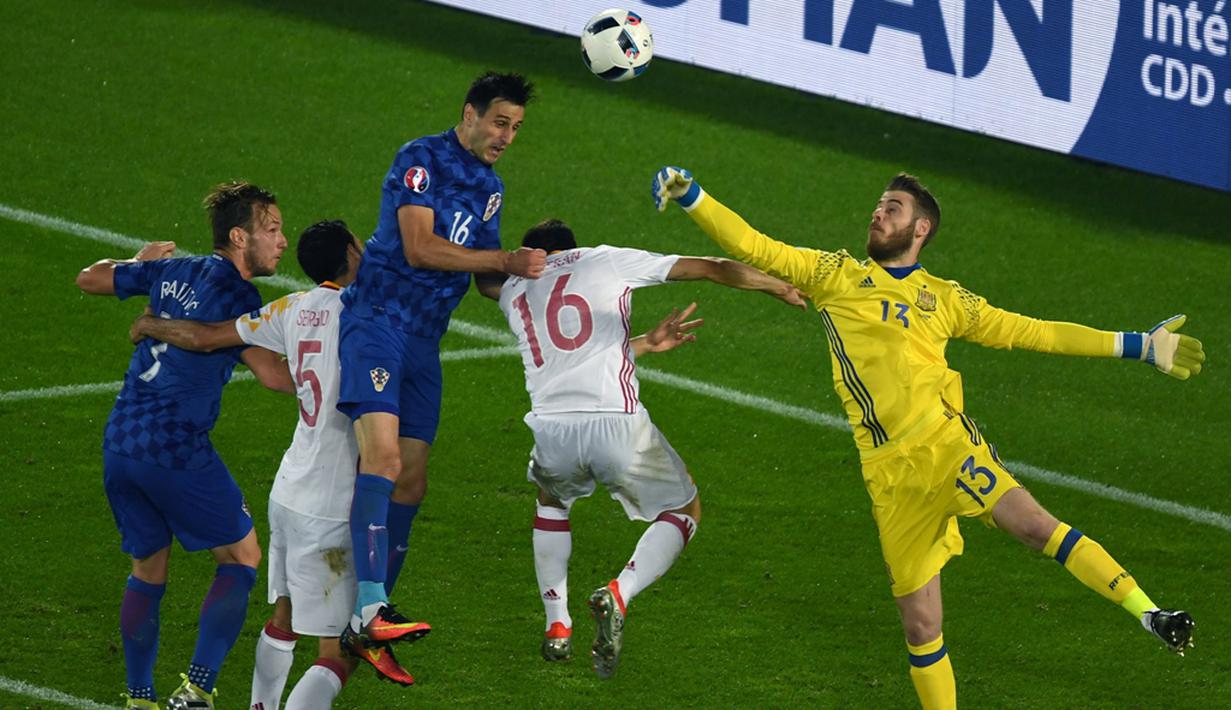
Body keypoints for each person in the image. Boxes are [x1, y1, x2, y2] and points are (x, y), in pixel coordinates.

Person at [651, 167, 1205, 708]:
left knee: (1035, 526)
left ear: (920, 229)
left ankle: (1149, 612)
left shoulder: (946, 299)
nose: (877, 214)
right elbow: (753, 245)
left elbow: (1034, 332)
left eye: (892, 208)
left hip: (946, 447)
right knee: (921, 625)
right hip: (889, 477)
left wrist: (1137, 345)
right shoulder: (834, 276)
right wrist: (693, 195)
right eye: (878, 206)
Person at [496, 219, 806, 678]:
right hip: (617, 424)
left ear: (532, 254)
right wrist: (777, 286)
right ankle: (620, 591)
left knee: (552, 500)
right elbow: (714, 267)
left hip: (553, 430)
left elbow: (568, 350)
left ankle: (557, 625)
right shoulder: (605, 259)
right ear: (572, 246)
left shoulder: (512, 291)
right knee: (685, 509)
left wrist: (644, 344)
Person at [129, 221, 421, 703]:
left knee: (283, 619)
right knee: (340, 648)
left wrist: (152, 325)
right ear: (352, 254)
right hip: (333, 502)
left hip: (289, 491)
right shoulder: (366, 314)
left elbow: (209, 337)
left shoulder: (292, 307)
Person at [336, 71, 546, 678]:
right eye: (500, 122)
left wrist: (555, 282)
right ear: (470, 113)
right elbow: (419, 247)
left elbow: (486, 280)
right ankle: (369, 608)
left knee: (411, 482)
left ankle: (370, 618)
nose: (506, 137)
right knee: (382, 460)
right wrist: (503, 258)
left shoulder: (490, 188)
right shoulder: (420, 159)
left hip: (426, 343)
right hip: (378, 324)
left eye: (516, 128)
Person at [76, 182, 293, 710]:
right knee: (242, 555)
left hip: (121, 440)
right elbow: (273, 376)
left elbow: (89, 278)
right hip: (174, 447)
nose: (282, 241)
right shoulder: (239, 296)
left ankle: (139, 697)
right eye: (271, 229)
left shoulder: (170, 270)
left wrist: (137, 261)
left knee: (148, 567)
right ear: (239, 237)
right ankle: (197, 688)